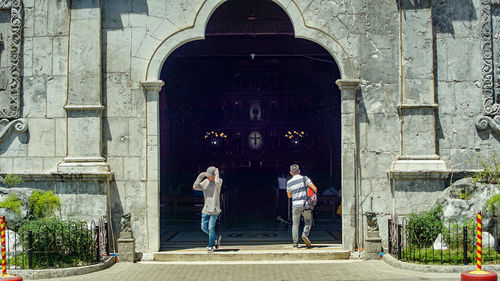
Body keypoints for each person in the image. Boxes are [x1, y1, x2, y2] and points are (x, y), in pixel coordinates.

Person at [286, 164, 318, 248]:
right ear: (299, 171)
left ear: (291, 173)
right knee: (308, 221)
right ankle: (304, 234)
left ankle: (295, 243)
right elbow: (315, 189)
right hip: (305, 204)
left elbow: (289, 196)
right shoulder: (305, 178)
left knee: (295, 224)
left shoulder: (289, 182)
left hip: (295, 205)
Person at [193, 166, 223, 253]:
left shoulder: (219, 182)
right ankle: (216, 238)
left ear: (214, 175)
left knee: (211, 228)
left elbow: (217, 181)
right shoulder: (205, 182)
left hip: (215, 209)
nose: (208, 177)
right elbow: (195, 187)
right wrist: (201, 176)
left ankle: (211, 246)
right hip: (205, 209)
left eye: (210, 175)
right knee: (203, 227)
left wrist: (217, 173)